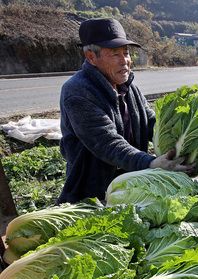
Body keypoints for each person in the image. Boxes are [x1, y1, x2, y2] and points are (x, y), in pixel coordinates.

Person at [58, 18, 189, 204]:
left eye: (126, 53)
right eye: (115, 54)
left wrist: (182, 137)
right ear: (91, 57)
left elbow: (150, 122)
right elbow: (107, 142)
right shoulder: (77, 92)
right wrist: (149, 163)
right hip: (95, 192)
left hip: (133, 184)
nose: (125, 61)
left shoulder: (127, 86)